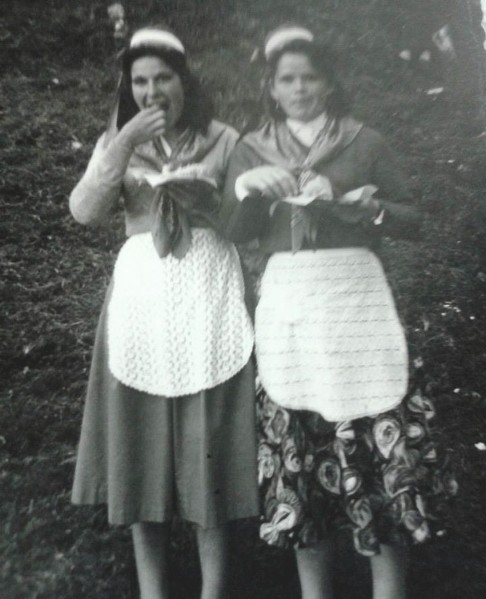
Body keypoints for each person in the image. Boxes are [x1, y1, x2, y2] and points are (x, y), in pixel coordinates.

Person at [223, 25, 457, 599]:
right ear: (271, 88)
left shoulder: (364, 141)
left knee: (378, 436)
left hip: (355, 299)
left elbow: (414, 218)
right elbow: (234, 231)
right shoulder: (251, 148)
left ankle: (388, 590)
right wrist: (248, 188)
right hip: (292, 301)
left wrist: (370, 206)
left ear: (328, 84)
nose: (299, 88)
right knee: (301, 447)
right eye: (287, 79)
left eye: (310, 77)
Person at [70, 25, 257, 599]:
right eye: (141, 82)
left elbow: (248, 225)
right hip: (144, 299)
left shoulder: (224, 139)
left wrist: (217, 204)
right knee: (139, 446)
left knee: (209, 449)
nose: (152, 93)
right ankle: (152, 591)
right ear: (129, 89)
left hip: (208, 291)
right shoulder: (117, 141)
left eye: (164, 79)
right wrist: (122, 144)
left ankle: (213, 590)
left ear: (184, 82)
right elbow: (83, 211)